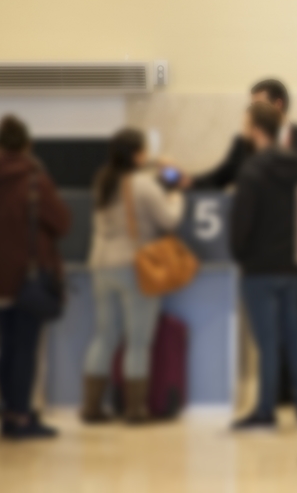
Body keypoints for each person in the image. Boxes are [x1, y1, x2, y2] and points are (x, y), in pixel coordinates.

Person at [81, 128, 184, 424]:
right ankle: (135, 410)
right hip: (133, 267)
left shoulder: (102, 180)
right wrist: (176, 194)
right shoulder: (143, 184)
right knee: (138, 341)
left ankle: (91, 407)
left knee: (104, 336)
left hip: (101, 265)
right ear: (138, 154)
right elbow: (170, 220)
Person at [230, 101, 297, 431]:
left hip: (260, 269)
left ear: (256, 130)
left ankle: (266, 410)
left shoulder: (251, 170)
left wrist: (241, 256)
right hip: (293, 267)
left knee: (267, 343)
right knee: (295, 339)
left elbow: (242, 223)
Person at [0, 116, 71, 440]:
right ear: (27, 144)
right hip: (27, 278)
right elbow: (61, 222)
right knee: (25, 349)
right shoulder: (33, 178)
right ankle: (20, 417)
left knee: (5, 347)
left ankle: (7, 411)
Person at [188, 78, 297, 189]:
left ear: (277, 105)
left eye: (257, 105)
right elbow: (219, 177)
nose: (252, 111)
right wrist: (188, 181)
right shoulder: (244, 142)